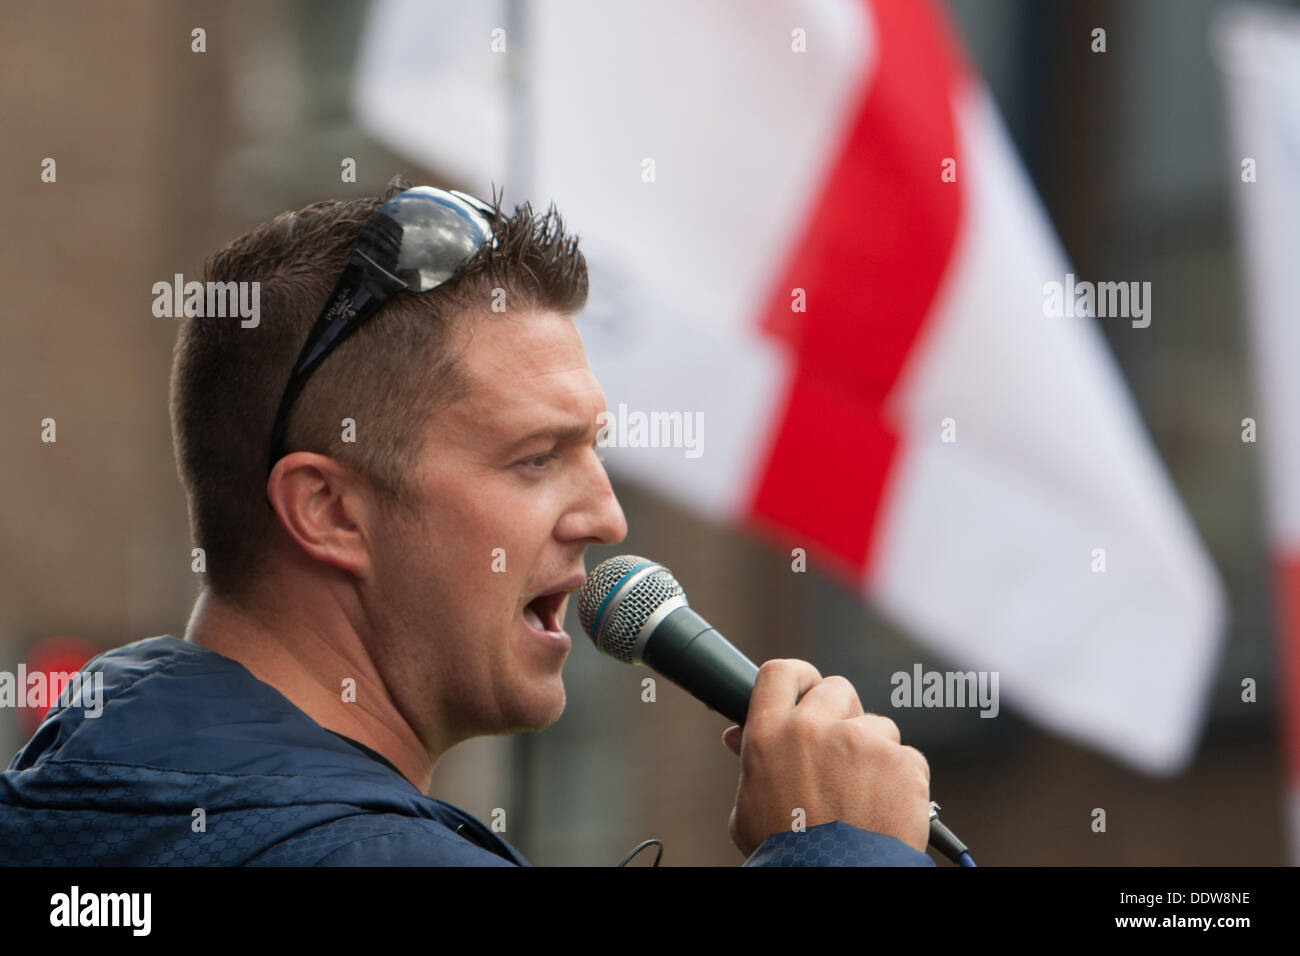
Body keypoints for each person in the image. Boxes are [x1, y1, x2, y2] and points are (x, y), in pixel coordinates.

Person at [0, 180, 934, 866]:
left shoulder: (78, 801)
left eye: (595, 450)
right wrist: (847, 855)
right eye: (536, 457)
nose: (606, 516)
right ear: (329, 511)